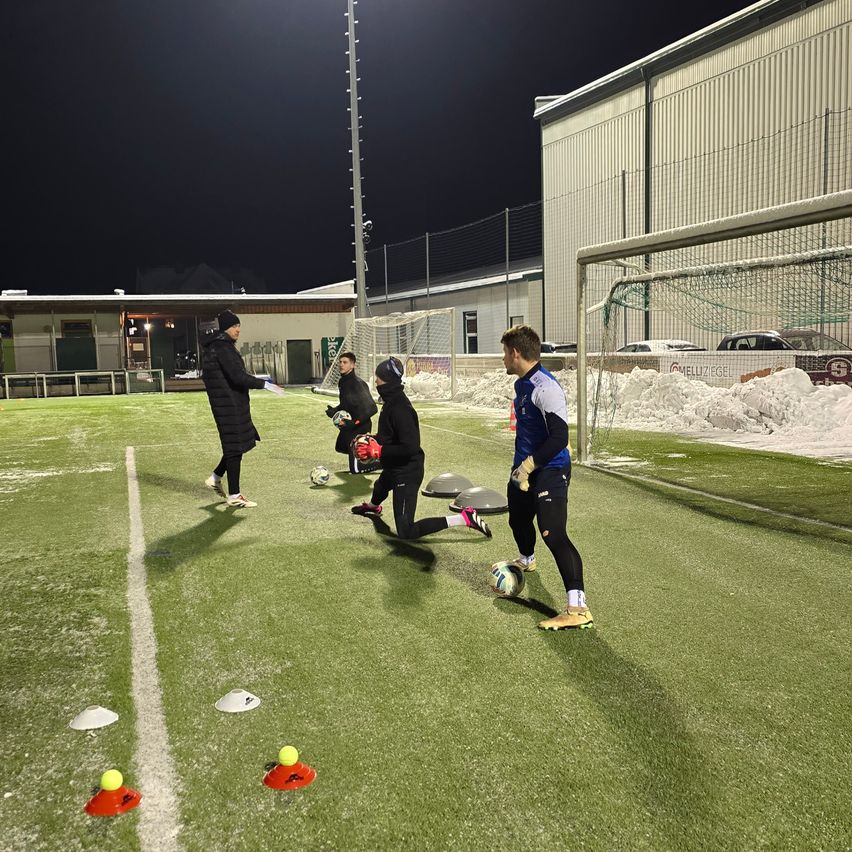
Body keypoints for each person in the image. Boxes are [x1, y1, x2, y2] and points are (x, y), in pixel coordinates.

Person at [499, 324, 592, 630]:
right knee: (518, 518)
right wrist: (521, 468)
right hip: (524, 466)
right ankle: (526, 559)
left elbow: (559, 437)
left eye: (505, 353)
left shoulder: (545, 387)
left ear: (516, 353)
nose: (503, 359)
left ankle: (578, 609)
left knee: (553, 532)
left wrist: (529, 465)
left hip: (550, 468)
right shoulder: (522, 384)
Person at [351, 356, 492, 540]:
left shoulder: (400, 408)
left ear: (386, 380)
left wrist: (378, 451)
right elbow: (390, 436)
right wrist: (373, 439)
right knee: (381, 486)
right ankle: (373, 507)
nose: (375, 380)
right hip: (394, 465)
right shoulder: (390, 401)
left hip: (407, 471)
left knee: (406, 530)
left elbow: (410, 447)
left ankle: (464, 518)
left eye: (378, 377)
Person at [202, 309, 281, 508]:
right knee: (235, 447)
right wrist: (265, 384)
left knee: (236, 444)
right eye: (234, 326)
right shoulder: (223, 347)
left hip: (227, 403)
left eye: (238, 326)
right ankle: (234, 495)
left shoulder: (218, 346)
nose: (238, 329)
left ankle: (216, 477)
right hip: (229, 404)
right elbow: (238, 377)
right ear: (225, 328)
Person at [324, 351, 379, 473]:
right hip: (350, 425)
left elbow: (372, 408)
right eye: (340, 362)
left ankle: (381, 461)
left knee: (355, 469)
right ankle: (364, 453)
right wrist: (334, 410)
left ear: (352, 365)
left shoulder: (358, 384)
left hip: (361, 425)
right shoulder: (342, 382)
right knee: (340, 446)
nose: (341, 365)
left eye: (345, 362)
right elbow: (346, 404)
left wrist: (354, 422)